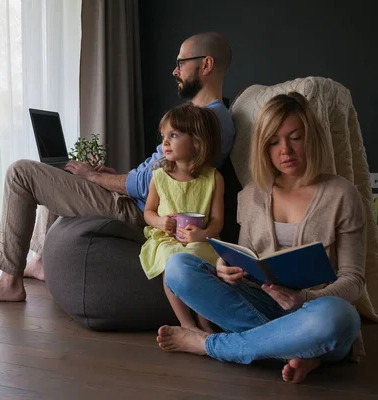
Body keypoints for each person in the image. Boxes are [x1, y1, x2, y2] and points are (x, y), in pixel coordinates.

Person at [0, 32, 236, 302]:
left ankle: (9, 281)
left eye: (181, 63)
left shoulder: (208, 121)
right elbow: (158, 173)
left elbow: (148, 183)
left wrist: (94, 177)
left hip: (140, 211)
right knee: (61, 172)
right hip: (136, 200)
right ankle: (39, 261)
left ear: (206, 65)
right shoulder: (202, 117)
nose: (175, 70)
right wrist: (105, 177)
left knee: (20, 172)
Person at [156, 92, 365, 384]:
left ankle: (208, 346)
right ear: (262, 147)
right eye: (273, 141)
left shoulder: (342, 194)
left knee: (339, 317)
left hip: (316, 313)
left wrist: (306, 297)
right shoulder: (251, 196)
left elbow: (354, 281)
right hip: (263, 305)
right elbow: (248, 261)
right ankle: (301, 352)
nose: (285, 151)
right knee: (179, 268)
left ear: (311, 138)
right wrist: (225, 269)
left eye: (295, 137)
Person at [139, 103, 224, 334]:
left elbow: (217, 221)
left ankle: (204, 319)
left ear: (197, 141)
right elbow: (148, 213)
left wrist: (203, 234)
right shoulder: (159, 177)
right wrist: (160, 221)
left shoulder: (213, 178)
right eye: (164, 136)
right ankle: (186, 324)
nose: (164, 142)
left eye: (173, 135)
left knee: (205, 259)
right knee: (171, 259)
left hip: (200, 239)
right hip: (167, 239)